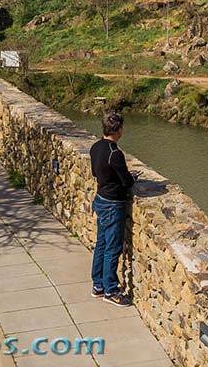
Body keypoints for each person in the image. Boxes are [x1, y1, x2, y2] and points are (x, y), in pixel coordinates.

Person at [90, 111, 135, 307]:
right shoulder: (114, 153)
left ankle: (97, 285)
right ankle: (111, 290)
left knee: (101, 243)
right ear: (118, 130)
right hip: (112, 204)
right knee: (113, 248)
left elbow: (95, 173)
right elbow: (126, 182)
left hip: (100, 199)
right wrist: (132, 177)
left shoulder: (95, 147)